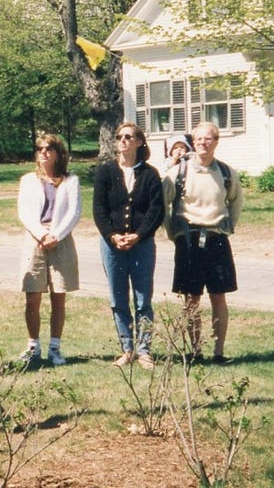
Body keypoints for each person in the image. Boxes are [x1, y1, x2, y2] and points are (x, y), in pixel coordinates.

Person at [163, 122, 244, 363]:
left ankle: (219, 352)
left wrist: (227, 227)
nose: (203, 144)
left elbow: (236, 202)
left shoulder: (227, 173)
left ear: (216, 142)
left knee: (218, 296)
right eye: (199, 139)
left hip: (216, 239)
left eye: (209, 139)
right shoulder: (178, 173)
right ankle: (195, 351)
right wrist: (173, 233)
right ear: (193, 142)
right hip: (188, 240)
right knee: (191, 298)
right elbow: (163, 204)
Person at [93, 122, 165, 369]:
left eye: (129, 137)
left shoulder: (150, 174)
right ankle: (127, 348)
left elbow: (156, 211)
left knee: (143, 299)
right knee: (118, 298)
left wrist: (138, 235)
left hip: (142, 245)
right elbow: (99, 210)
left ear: (139, 142)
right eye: (119, 137)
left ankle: (144, 350)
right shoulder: (105, 172)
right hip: (112, 246)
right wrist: (112, 236)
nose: (123, 141)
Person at [15, 132, 81, 366]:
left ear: (58, 153)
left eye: (49, 149)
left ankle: (55, 348)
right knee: (32, 296)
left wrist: (56, 235)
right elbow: (23, 211)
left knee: (58, 297)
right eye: (40, 149)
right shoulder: (27, 180)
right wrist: (42, 234)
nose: (44, 152)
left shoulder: (70, 180)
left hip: (61, 239)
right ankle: (33, 347)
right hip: (35, 239)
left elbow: (74, 212)